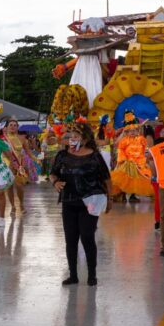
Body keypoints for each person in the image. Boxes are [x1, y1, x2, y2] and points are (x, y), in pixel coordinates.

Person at [49, 122, 112, 286]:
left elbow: (106, 178)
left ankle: (92, 274)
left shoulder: (95, 156)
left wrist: (110, 198)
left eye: (75, 136)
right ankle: (73, 275)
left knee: (87, 236)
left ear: (84, 138)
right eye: (69, 136)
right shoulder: (62, 155)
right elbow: (53, 174)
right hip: (69, 200)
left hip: (90, 201)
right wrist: (55, 182)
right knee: (70, 239)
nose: (71, 139)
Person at [110, 112, 153, 202]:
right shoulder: (125, 140)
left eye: (134, 130)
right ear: (127, 131)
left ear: (138, 131)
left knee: (135, 179)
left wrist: (146, 156)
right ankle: (121, 195)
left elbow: (146, 148)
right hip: (127, 162)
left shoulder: (141, 139)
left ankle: (133, 195)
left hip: (138, 162)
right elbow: (119, 147)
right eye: (130, 131)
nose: (132, 132)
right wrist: (122, 159)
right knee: (124, 179)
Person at [3, 118, 38, 215]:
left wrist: (36, 159)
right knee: (9, 187)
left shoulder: (22, 138)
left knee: (19, 186)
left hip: (19, 165)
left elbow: (28, 152)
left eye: (15, 125)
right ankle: (13, 206)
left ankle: (21, 204)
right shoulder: (3, 139)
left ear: (18, 127)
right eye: (11, 125)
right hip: (6, 164)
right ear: (6, 127)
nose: (13, 127)